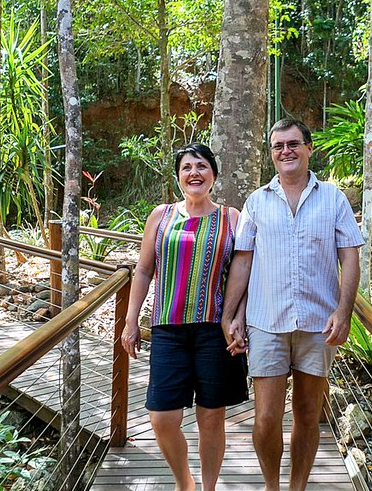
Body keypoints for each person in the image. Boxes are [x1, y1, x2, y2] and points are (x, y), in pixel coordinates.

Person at [221, 119, 363, 491]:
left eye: (293, 144)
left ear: (309, 148)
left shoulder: (333, 198)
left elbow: (350, 258)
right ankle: (272, 485)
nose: (286, 151)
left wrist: (344, 312)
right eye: (278, 146)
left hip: (318, 325)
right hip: (267, 322)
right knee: (266, 417)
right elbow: (244, 261)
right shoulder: (256, 201)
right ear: (271, 154)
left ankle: (297, 487)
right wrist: (230, 314)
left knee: (307, 414)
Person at [121, 142, 248, 491]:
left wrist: (238, 318)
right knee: (162, 417)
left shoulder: (232, 218)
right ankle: (184, 482)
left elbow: (244, 272)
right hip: (167, 328)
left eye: (202, 166)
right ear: (178, 177)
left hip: (213, 329)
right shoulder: (160, 216)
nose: (195, 173)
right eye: (187, 168)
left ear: (213, 175)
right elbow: (144, 270)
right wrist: (132, 320)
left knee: (211, 417)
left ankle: (207, 488)